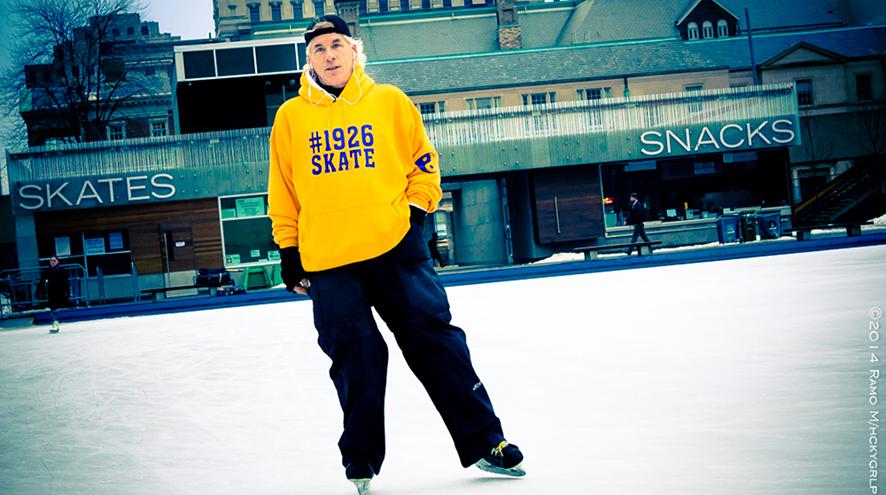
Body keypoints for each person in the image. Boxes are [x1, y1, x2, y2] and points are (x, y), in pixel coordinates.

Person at [266, 15, 524, 495]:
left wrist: (415, 218)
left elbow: (424, 166)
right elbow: (283, 192)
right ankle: (360, 459)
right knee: (356, 357)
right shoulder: (291, 118)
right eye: (319, 48)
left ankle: (487, 441)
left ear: (354, 51)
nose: (329, 55)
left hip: (395, 249)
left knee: (436, 344)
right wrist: (289, 250)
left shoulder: (389, 102)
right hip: (328, 260)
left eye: (337, 44)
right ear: (310, 60)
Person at [39, 256, 69, 333]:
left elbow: (65, 282)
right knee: (52, 308)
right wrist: (40, 291)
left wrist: (66, 292)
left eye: (54, 260)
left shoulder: (61, 270)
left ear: (57, 261)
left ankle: (56, 322)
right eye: (51, 261)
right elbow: (42, 281)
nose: (52, 262)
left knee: (56, 308)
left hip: (59, 292)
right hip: (51, 292)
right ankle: (55, 323)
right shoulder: (47, 270)